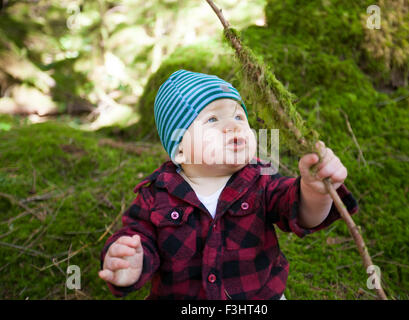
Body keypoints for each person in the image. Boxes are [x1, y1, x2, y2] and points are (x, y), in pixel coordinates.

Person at [98, 69, 358, 299]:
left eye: (238, 118)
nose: (232, 128)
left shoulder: (261, 180)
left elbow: (301, 212)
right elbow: (139, 235)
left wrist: (314, 191)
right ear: (179, 151)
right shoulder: (155, 195)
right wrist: (130, 260)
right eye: (212, 120)